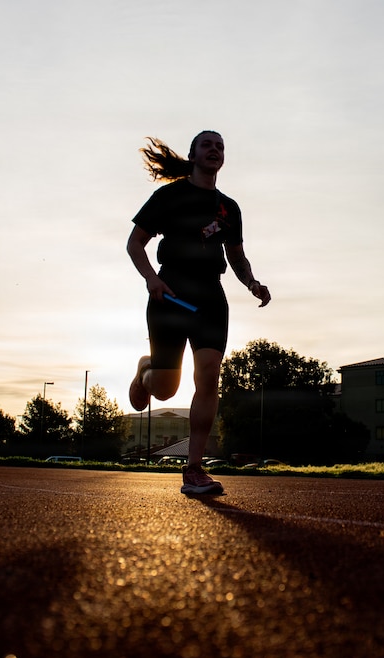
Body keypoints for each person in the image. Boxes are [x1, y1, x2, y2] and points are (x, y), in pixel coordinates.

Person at [126, 130, 271, 495]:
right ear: (193, 155)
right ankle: (146, 370)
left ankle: (194, 469)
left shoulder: (228, 208)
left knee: (208, 377)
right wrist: (151, 280)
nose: (214, 150)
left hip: (210, 297)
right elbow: (135, 243)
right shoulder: (169, 196)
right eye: (207, 144)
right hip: (171, 293)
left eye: (220, 146)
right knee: (164, 390)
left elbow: (236, 256)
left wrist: (252, 283)